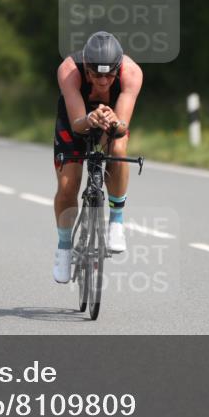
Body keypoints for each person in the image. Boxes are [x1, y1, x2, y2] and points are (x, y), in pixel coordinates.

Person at [52, 31, 142, 283]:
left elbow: (122, 126)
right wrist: (89, 119)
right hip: (76, 119)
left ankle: (116, 220)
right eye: (96, 75)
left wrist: (115, 123)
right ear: (87, 69)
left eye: (109, 75)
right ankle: (64, 247)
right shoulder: (69, 69)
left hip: (112, 119)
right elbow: (78, 124)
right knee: (68, 185)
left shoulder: (131, 73)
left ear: (117, 69)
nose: (103, 81)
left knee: (119, 149)